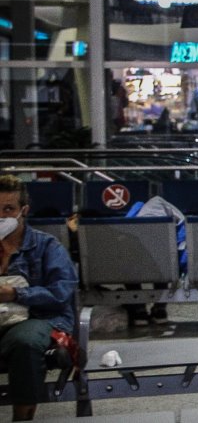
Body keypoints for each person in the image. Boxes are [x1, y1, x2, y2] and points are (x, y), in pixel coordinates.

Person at [0, 175, 79, 421]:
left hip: (41, 318)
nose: (1, 216)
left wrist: (15, 293)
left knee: (25, 341)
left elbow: (61, 293)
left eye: (8, 209)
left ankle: (22, 417)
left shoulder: (47, 246)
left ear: (23, 211)